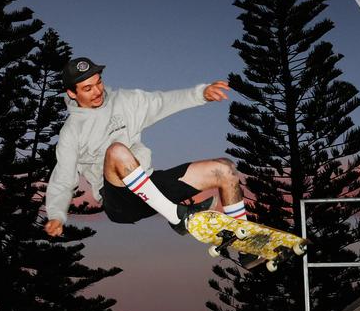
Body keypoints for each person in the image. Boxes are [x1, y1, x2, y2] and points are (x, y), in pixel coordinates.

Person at [44, 57, 239, 240]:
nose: (97, 91)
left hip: (149, 186)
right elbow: (63, 179)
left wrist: (201, 94)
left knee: (224, 169)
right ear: (72, 93)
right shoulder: (71, 132)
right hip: (119, 200)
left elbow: (163, 102)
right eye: (88, 88)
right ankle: (176, 216)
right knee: (116, 151)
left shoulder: (126, 101)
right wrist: (56, 215)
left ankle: (243, 236)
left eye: (98, 83)